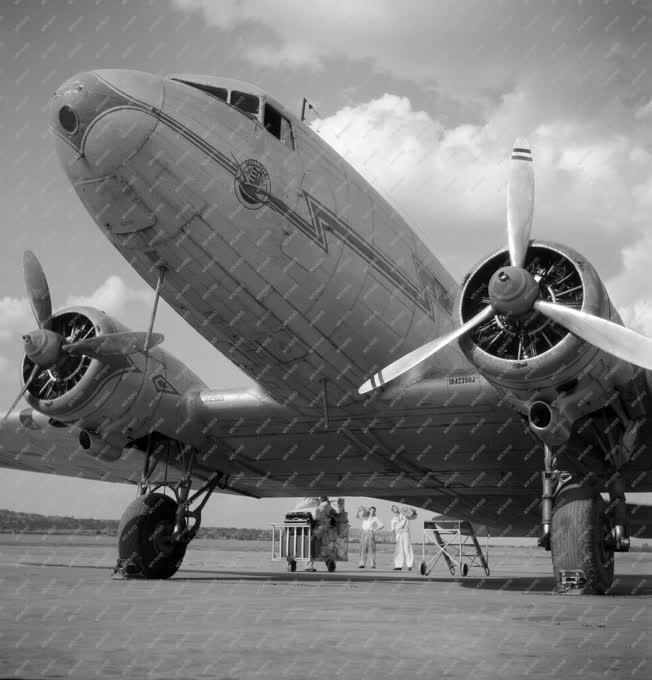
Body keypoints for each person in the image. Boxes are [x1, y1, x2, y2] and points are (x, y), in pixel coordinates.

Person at [391, 505, 415, 570]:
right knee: (399, 550)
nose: (396, 508)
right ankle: (398, 566)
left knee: (407, 548)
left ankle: (410, 565)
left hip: (405, 533)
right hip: (398, 534)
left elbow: (412, 515)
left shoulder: (405, 515)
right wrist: (393, 537)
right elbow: (393, 529)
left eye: (396, 507)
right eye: (394, 508)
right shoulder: (393, 520)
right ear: (392, 510)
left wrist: (408, 510)